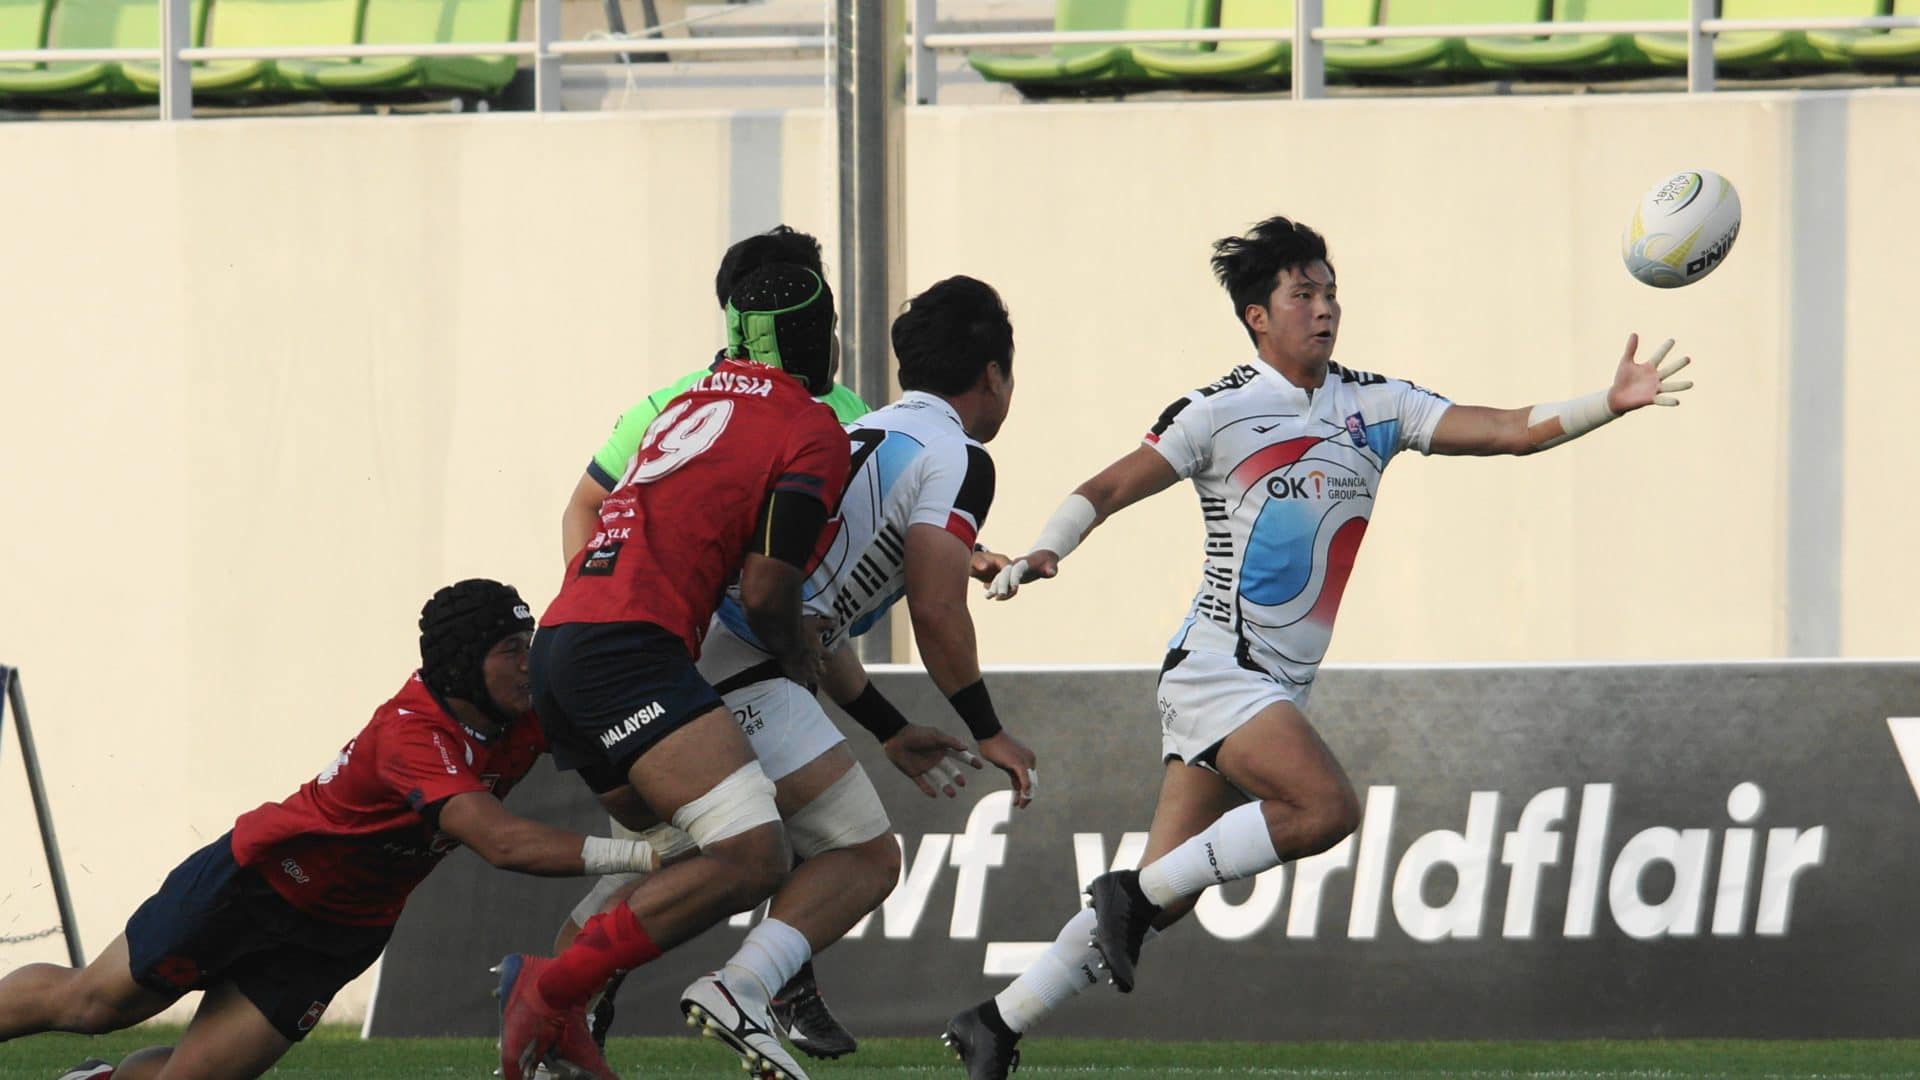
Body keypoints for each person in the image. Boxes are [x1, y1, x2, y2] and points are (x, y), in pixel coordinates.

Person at [942, 216, 1694, 1079]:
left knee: (1167, 896)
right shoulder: (1218, 410)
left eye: (1331, 290)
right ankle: (1125, 895)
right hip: (1220, 670)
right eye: (1304, 293)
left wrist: (1610, 401)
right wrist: (1048, 547)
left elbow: (1508, 429)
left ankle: (997, 1019)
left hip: (1274, 688)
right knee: (1326, 809)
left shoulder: (1376, 405)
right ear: (1259, 316)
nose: (1325, 308)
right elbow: (1109, 485)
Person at [0, 579, 662, 1080]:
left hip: (339, 933)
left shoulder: (526, 711)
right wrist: (648, 856)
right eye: (511, 649)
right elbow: (501, 840)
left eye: (532, 644)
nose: (530, 664)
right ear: (462, 665)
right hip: (255, 884)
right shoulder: (412, 731)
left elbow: (620, 759)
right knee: (93, 1006)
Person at [665, 273, 1037, 1078]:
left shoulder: (859, 428)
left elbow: (813, 605)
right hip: (745, 666)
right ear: (993, 376)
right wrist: (989, 728)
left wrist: (890, 727)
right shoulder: (962, 459)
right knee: (864, 855)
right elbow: (938, 610)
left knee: (680, 858)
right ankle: (743, 986)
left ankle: (559, 990)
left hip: (698, 650)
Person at [497, 262, 853, 1080]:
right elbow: (767, 589)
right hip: (632, 652)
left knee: (679, 852)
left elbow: (591, 506)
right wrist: (799, 652)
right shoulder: (813, 426)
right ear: (817, 334)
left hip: (564, 644)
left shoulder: (685, 402)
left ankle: (561, 1041)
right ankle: (550, 993)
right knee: (755, 856)